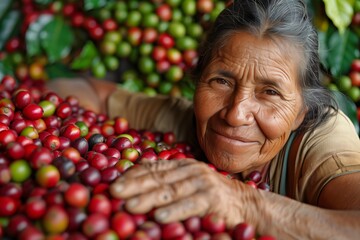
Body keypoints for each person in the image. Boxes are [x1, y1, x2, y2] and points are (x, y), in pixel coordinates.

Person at [48, 0, 360, 238]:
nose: (236, 114)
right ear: (197, 84)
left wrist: (242, 203)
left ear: (300, 113)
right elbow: (77, 91)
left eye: (269, 93)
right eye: (221, 82)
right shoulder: (186, 120)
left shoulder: (322, 142)